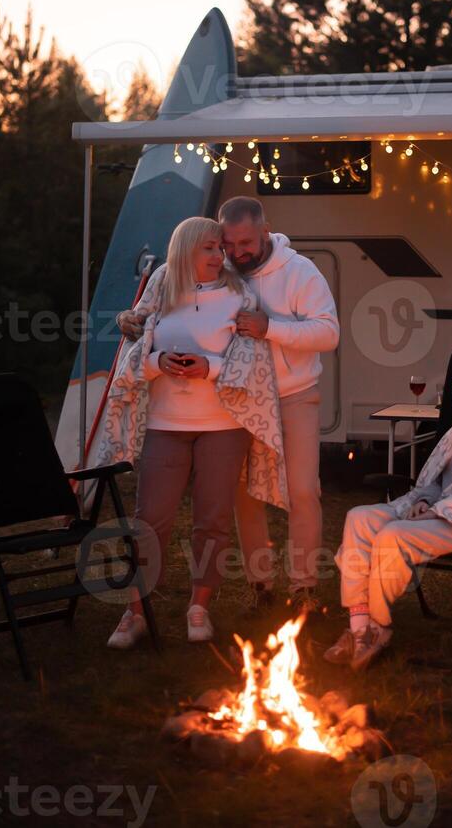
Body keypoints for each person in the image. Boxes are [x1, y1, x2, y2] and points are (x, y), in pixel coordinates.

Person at [117, 196, 340, 612]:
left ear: (265, 229)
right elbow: (166, 293)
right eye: (228, 244)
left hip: (292, 395)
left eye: (244, 244)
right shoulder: (222, 268)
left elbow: (328, 333)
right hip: (239, 397)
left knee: (304, 489)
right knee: (243, 491)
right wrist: (128, 318)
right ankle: (261, 585)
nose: (235, 253)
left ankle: (305, 586)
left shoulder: (299, 272)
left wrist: (270, 328)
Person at [102, 216, 286, 650]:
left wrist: (212, 368)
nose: (219, 255)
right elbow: (136, 346)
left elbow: (253, 359)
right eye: (208, 247)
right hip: (166, 424)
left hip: (223, 426)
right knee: (152, 517)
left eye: (219, 247)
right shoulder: (163, 285)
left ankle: (199, 605)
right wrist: (157, 362)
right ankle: (135, 610)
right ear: (184, 250)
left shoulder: (239, 292)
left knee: (213, 519)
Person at [324, 351, 452, 671]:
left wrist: (437, 512)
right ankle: (359, 629)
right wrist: (424, 502)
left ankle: (377, 628)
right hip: (437, 511)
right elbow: (435, 480)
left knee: (392, 535)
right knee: (359, 517)